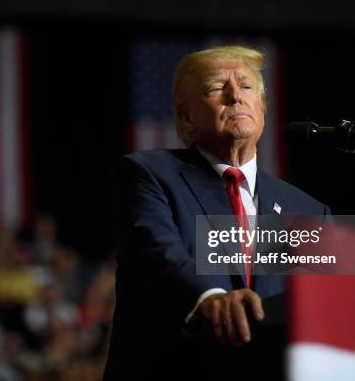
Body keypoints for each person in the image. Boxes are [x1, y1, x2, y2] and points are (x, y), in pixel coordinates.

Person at [104, 45, 331, 379]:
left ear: (263, 108)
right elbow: (155, 251)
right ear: (186, 117)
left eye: (246, 86)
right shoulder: (149, 173)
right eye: (215, 88)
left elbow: (320, 313)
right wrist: (209, 298)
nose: (235, 96)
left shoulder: (309, 210)